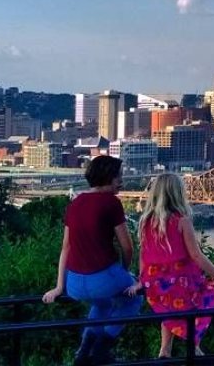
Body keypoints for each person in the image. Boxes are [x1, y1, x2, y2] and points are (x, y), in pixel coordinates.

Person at [42, 154, 144, 366]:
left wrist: (59, 287)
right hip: (103, 278)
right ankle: (102, 346)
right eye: (119, 177)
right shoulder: (111, 203)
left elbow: (66, 247)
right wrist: (125, 273)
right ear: (108, 178)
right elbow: (127, 246)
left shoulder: (76, 202)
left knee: (103, 303)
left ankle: (84, 350)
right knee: (135, 298)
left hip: (74, 284)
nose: (121, 181)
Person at [133, 173, 214, 359]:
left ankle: (165, 350)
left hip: (154, 283)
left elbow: (143, 254)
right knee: (206, 293)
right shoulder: (182, 221)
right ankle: (194, 344)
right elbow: (196, 255)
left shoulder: (147, 221)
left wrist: (142, 280)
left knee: (169, 309)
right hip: (181, 280)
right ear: (178, 193)